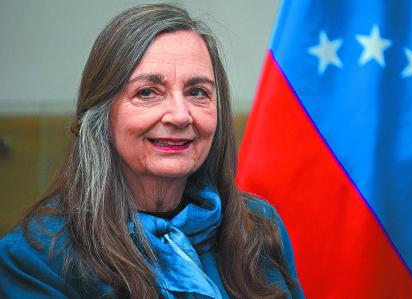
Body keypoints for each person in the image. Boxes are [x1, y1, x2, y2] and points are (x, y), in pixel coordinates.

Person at [0, 4, 304, 299]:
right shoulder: (34, 258)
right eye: (147, 92)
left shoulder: (258, 228)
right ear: (102, 113)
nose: (180, 115)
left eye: (197, 92)